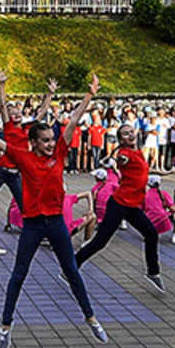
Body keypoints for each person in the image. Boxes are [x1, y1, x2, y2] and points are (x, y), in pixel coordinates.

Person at [0, 72, 108, 348]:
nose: (51, 143)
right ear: (34, 142)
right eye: (45, 140)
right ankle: (6, 325)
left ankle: (91, 318)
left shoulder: (59, 154)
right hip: (32, 225)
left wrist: (90, 95)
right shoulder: (23, 157)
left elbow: (73, 121)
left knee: (71, 270)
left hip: (55, 222)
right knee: (19, 273)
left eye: (52, 139)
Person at [72, 122, 166, 293]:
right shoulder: (124, 153)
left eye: (131, 132)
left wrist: (161, 172)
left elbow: (142, 169)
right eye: (125, 134)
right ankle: (72, 266)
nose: (130, 135)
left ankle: (153, 272)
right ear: (121, 139)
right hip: (119, 204)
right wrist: (118, 159)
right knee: (100, 241)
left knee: (151, 233)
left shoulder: (138, 152)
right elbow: (123, 159)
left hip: (131, 205)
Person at [0, 72, 54, 224]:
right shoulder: (9, 127)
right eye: (12, 114)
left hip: (15, 173)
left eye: (18, 113)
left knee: (24, 205)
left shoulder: (28, 128)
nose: (17, 115)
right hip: (1, 171)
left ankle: (34, 230)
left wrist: (50, 93)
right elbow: (2, 105)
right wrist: (2, 84)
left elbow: (42, 112)